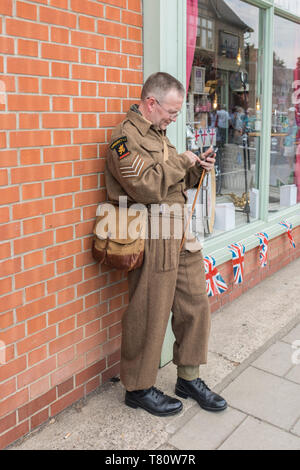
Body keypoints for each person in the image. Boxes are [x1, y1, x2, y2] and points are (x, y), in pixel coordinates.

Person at [105, 72, 227, 417]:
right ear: (151, 102)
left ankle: (188, 377)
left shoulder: (160, 135)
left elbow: (174, 183)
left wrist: (197, 168)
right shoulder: (123, 139)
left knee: (195, 305)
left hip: (179, 230)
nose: (174, 118)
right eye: (171, 112)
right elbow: (145, 187)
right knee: (149, 312)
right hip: (152, 231)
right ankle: (138, 387)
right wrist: (181, 162)